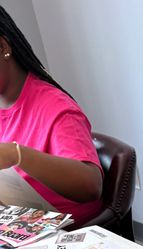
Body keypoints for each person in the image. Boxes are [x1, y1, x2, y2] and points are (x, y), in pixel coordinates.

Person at [0, 7, 102, 225]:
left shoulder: (55, 108)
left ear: (2, 47)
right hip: (19, 222)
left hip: (66, 233)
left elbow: (90, 186)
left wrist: (16, 154)